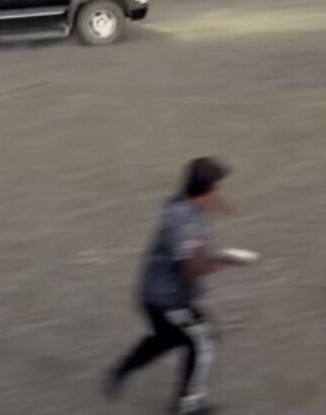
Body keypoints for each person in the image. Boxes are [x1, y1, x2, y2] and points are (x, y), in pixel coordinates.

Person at [104, 157, 247, 415]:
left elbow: (203, 200)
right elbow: (191, 269)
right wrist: (226, 259)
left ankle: (123, 370)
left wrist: (222, 206)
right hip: (166, 299)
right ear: (205, 190)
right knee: (205, 340)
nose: (219, 193)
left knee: (168, 339)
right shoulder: (182, 223)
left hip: (156, 293)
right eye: (217, 188)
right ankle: (186, 407)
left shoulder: (187, 197)